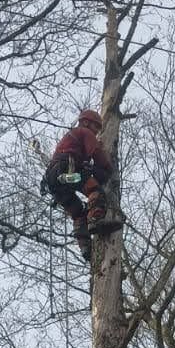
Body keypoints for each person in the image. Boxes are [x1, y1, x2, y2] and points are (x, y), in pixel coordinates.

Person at [43, 109, 121, 261]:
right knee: (95, 191)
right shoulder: (84, 133)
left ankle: (85, 247)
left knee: (78, 213)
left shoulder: (70, 138)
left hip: (55, 181)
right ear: (86, 122)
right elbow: (97, 153)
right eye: (96, 128)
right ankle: (96, 221)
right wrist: (108, 169)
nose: (96, 133)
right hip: (69, 172)